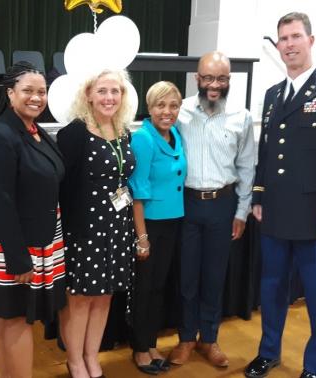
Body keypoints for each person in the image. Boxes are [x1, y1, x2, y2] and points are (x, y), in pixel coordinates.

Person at [244, 12, 316, 378]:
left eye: (295, 37)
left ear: (311, 41)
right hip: (275, 214)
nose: (288, 44)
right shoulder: (272, 95)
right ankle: (268, 352)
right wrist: (258, 196)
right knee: (271, 290)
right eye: (283, 38)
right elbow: (267, 152)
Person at [0, 61, 66, 378]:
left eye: (42, 91)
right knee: (18, 319)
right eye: (28, 91)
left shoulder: (34, 130)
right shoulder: (1, 135)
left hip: (34, 236)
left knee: (6, 315)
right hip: (9, 243)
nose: (37, 97)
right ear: (10, 93)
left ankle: (1, 374)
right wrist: (18, 258)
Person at [169, 51, 256, 368]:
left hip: (224, 205)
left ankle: (210, 339)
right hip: (186, 205)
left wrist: (241, 211)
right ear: (197, 79)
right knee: (187, 276)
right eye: (208, 78)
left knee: (215, 276)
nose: (214, 85)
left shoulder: (241, 116)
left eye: (221, 78)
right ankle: (185, 339)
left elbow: (247, 167)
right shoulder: (180, 112)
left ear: (229, 80)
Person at [57, 69, 136, 378]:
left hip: (117, 226)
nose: (109, 97)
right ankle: (75, 360)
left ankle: (92, 356)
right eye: (102, 91)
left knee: (104, 296)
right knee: (78, 298)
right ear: (88, 94)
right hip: (84, 227)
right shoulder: (74, 133)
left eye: (115, 91)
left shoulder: (124, 131)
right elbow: (62, 187)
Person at [128, 81, 187, 375]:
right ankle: (139, 349)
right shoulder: (143, 139)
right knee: (145, 289)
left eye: (173, 105)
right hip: (149, 224)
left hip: (173, 221)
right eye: (161, 106)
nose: (168, 112)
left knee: (158, 288)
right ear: (149, 109)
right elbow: (137, 192)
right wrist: (142, 238)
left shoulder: (175, 133)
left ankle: (151, 343)